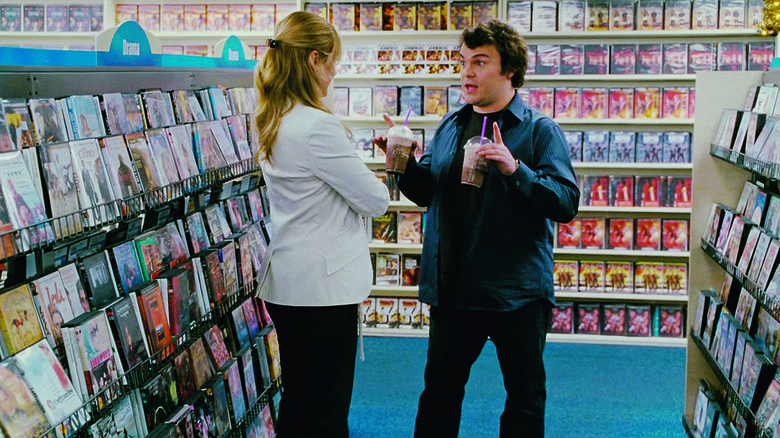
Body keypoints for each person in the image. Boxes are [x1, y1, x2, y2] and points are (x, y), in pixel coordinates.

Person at [374, 20, 579, 437]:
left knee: (523, 400)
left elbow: (565, 203)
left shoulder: (540, 130)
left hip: (516, 293)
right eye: (463, 61)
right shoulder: (451, 125)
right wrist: (403, 162)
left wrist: (515, 169)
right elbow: (426, 191)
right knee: (439, 397)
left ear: (509, 70)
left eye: (480, 62)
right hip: (454, 292)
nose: (466, 72)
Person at [253, 11, 389, 438]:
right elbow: (375, 200)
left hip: (290, 282)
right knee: (327, 411)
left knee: (300, 402)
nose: (335, 71)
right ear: (314, 59)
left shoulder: (276, 116)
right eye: (333, 61)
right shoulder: (318, 126)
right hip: (323, 291)